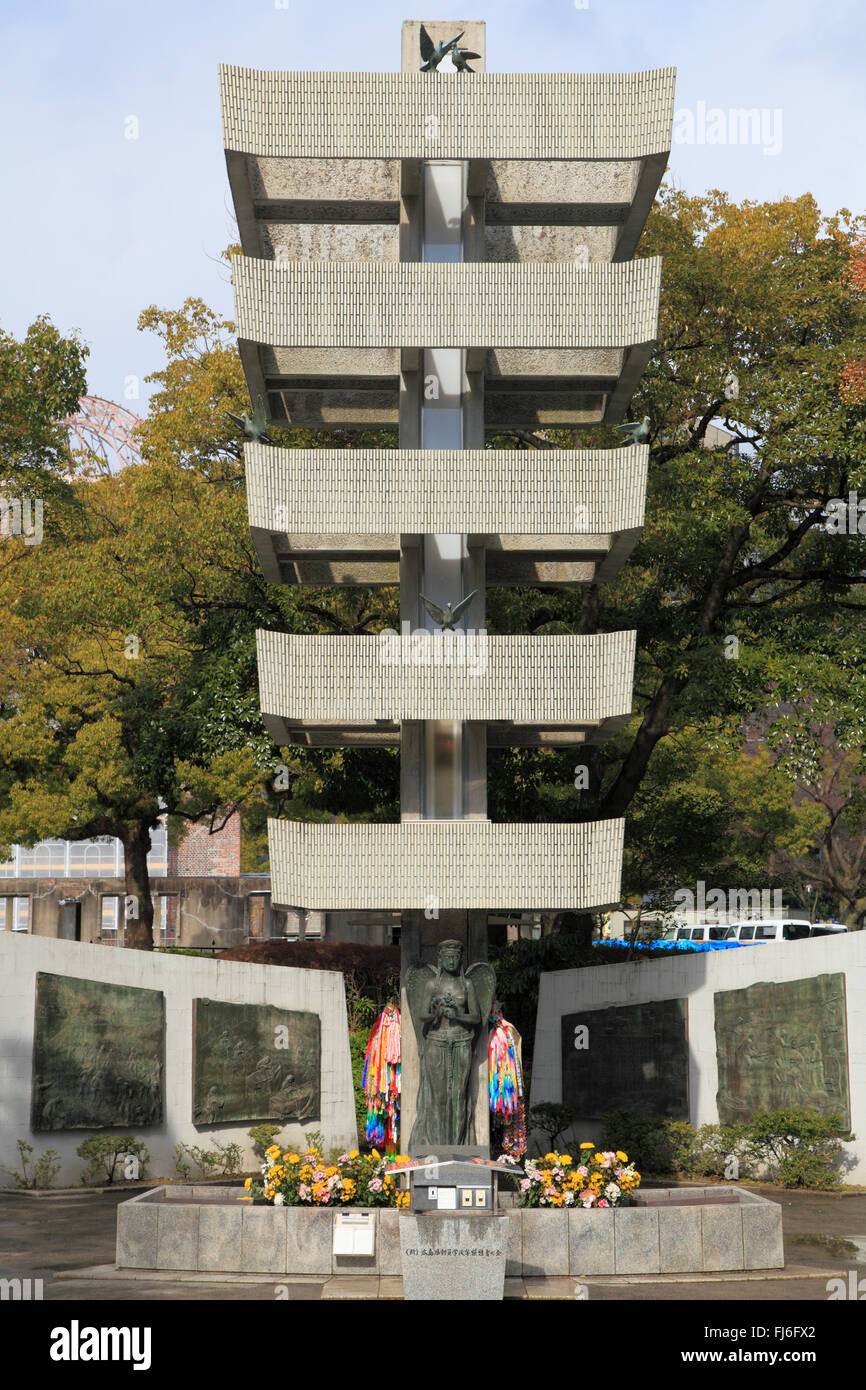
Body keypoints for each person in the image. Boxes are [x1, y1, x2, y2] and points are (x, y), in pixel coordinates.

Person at [410, 940, 481, 1147]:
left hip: (461, 1043)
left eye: (455, 957)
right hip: (436, 1043)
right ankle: (436, 1145)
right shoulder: (432, 984)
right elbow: (421, 1015)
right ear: (440, 959)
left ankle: (458, 1146)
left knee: (458, 1096)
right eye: (447, 957)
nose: (451, 961)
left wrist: (458, 1015)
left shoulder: (467, 984)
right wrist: (434, 1010)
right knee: (438, 1097)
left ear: (460, 959)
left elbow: (476, 1017)